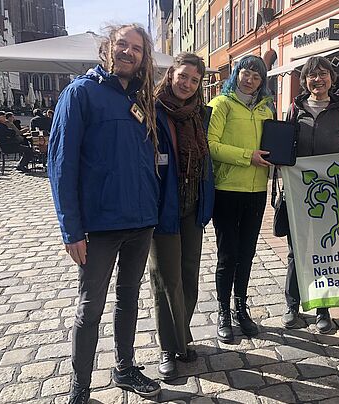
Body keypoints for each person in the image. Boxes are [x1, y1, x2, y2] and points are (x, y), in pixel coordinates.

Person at [48, 24, 162, 403]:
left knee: (128, 300)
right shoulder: (81, 93)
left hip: (141, 220)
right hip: (98, 226)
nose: (129, 52)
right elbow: (61, 165)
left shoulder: (143, 99)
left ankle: (125, 369)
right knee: (90, 307)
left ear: (144, 58)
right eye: (122, 45)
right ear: (108, 48)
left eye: (137, 49)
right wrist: (71, 229)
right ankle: (80, 387)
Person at [281, 57, 339, 333]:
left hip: (330, 195)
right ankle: (292, 304)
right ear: (304, 81)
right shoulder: (294, 108)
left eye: (323, 74)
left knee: (325, 251)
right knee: (296, 252)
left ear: (331, 78)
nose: (318, 80)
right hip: (299, 192)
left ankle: (323, 308)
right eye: (312, 75)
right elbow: (285, 148)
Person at [149, 52, 214, 380]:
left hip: (192, 206)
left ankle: (182, 336)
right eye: (183, 76)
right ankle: (166, 346)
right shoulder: (152, 110)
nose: (187, 84)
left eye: (194, 79)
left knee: (188, 275)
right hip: (163, 210)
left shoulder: (199, 114)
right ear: (171, 74)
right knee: (166, 280)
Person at [207, 55, 274, 343]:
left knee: (246, 253)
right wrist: (249, 157)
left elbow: (272, 148)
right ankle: (223, 310)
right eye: (246, 73)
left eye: (256, 77)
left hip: (256, 191)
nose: (250, 79)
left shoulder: (266, 110)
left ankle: (240, 308)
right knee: (228, 254)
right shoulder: (220, 105)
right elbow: (210, 145)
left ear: (262, 82)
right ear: (236, 74)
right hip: (227, 190)